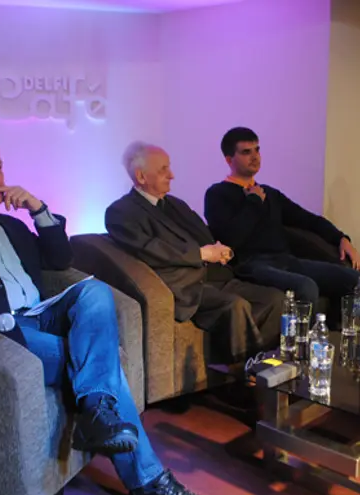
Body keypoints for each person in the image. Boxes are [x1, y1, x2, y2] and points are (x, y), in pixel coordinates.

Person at [0, 132, 217, 495]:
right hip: (1, 331)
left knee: (93, 291)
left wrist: (39, 209)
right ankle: (149, 484)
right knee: (104, 365)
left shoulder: (11, 226)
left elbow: (61, 258)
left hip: (42, 313)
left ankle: (96, 414)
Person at [105, 141, 284, 362]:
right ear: (141, 176)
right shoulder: (121, 212)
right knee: (236, 305)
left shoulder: (175, 204)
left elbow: (203, 236)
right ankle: (245, 373)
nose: (171, 175)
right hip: (184, 287)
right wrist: (202, 254)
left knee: (275, 299)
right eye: (163, 169)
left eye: (169, 167)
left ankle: (263, 364)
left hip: (215, 276)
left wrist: (219, 251)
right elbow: (149, 250)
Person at [203, 127, 360, 315]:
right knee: (305, 287)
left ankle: (340, 330)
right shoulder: (217, 194)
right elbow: (231, 238)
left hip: (284, 260)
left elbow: (307, 219)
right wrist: (253, 202)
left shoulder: (270, 194)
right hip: (249, 265)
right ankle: (304, 335)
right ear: (229, 160)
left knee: (356, 281)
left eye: (257, 150)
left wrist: (341, 238)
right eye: (246, 152)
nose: (255, 157)